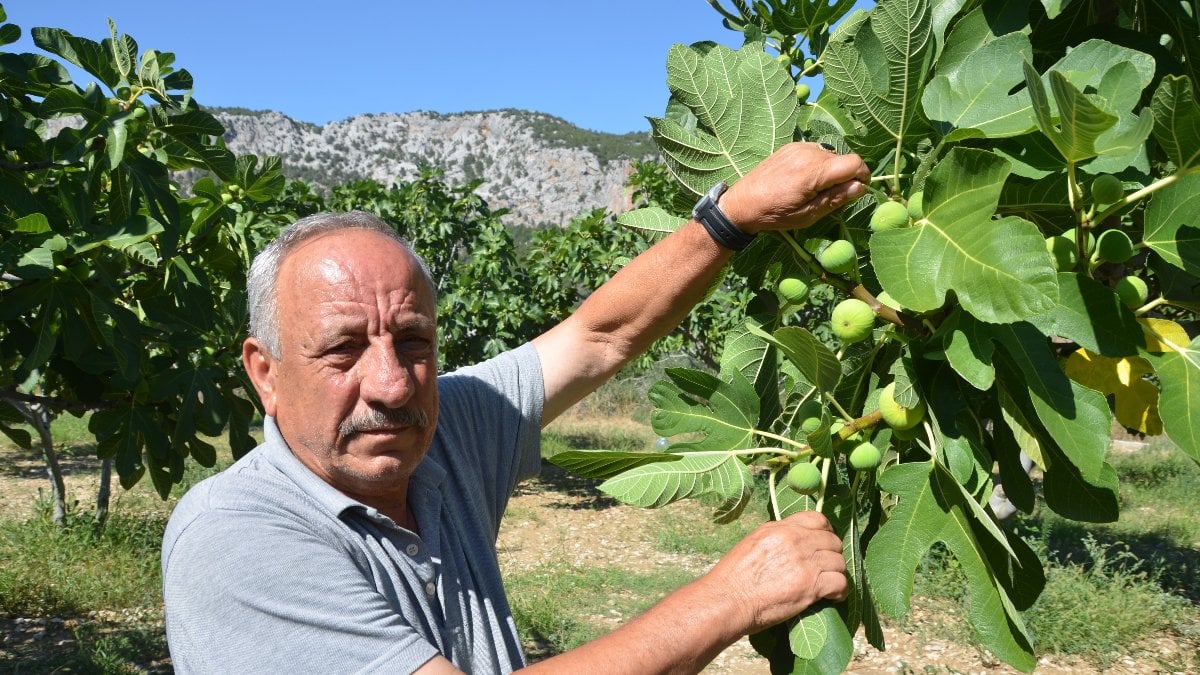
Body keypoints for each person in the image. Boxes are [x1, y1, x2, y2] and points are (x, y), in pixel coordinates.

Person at [161, 142, 871, 674]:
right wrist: (730, 597)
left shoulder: (444, 432)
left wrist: (729, 218)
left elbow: (600, 336)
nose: (392, 383)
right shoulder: (232, 537)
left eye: (413, 341)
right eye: (343, 348)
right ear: (266, 372)